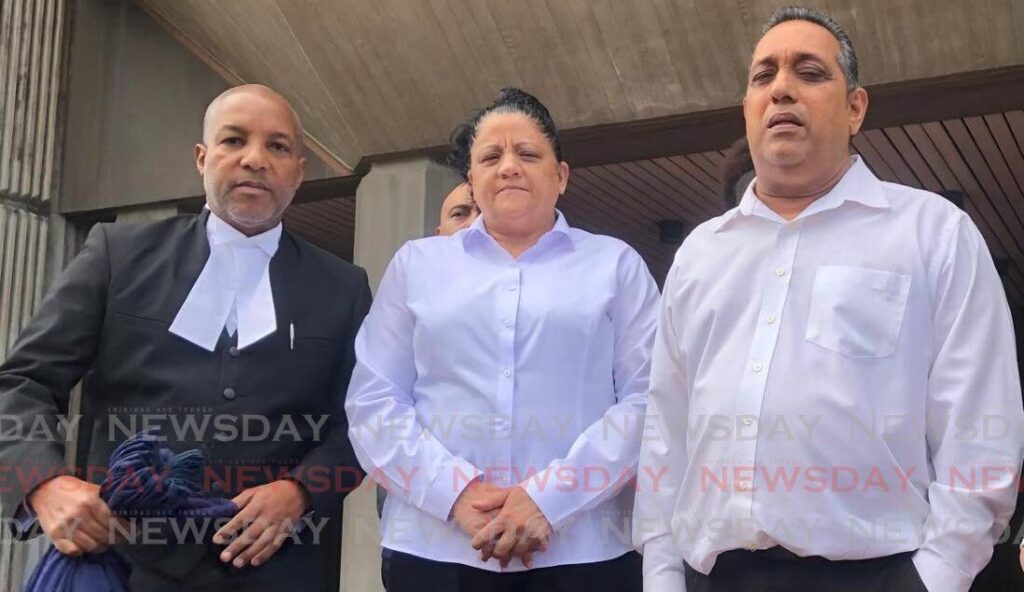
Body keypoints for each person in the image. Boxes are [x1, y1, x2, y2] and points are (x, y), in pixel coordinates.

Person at [634, 6, 1023, 592]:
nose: (781, 88)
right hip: (713, 575)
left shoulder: (931, 234)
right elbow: (667, 429)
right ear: (746, 110)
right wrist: (662, 576)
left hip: (882, 573)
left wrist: (935, 578)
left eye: (809, 72)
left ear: (855, 108)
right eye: (763, 76)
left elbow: (978, 426)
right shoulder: (699, 255)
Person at [0, 84, 372, 591]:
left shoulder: (343, 286)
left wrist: (303, 491)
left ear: (299, 171)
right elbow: (22, 383)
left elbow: (364, 419)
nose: (255, 159)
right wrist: (41, 485)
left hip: (278, 570)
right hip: (121, 563)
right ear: (202, 158)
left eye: (278, 146)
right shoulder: (118, 254)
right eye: (233, 141)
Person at [346, 87, 660, 591]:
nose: (509, 166)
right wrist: (456, 494)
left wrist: (549, 499)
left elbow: (649, 399)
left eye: (528, 154)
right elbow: (373, 399)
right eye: (491, 156)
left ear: (560, 176)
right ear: (472, 180)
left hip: (583, 551)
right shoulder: (417, 265)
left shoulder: (615, 265)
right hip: (435, 547)